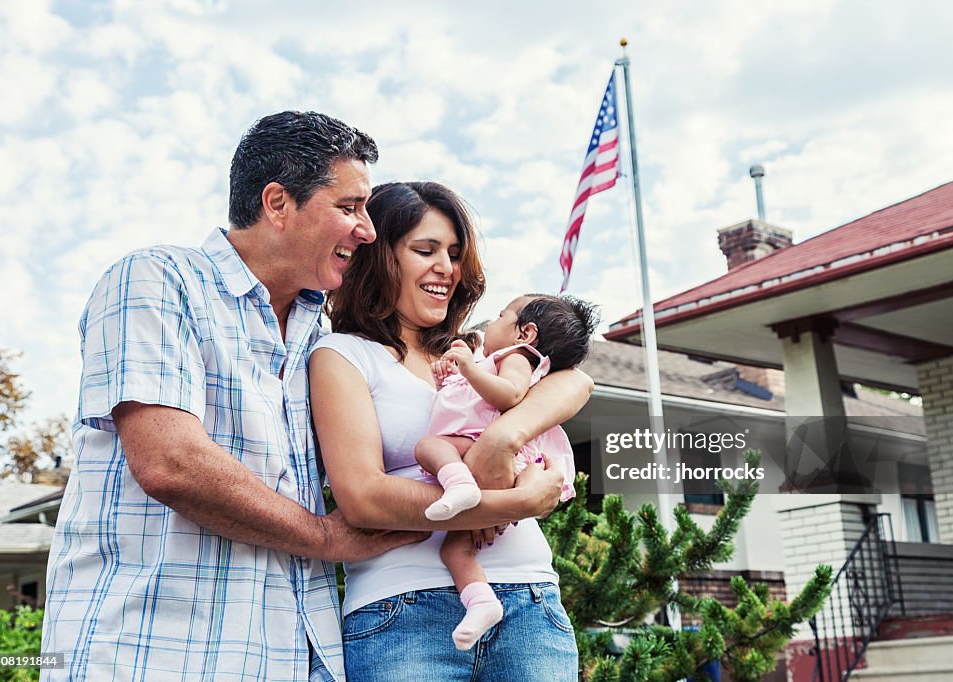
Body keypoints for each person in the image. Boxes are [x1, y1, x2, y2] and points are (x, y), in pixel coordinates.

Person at [40, 112, 519, 682]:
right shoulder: (158, 278)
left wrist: (497, 470)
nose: (366, 230)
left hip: (293, 651)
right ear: (277, 203)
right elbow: (169, 461)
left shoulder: (325, 337)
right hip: (152, 650)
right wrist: (324, 535)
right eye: (349, 207)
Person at [311, 181, 592, 681]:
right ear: (379, 257)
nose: (447, 266)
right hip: (404, 607)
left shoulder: (478, 350)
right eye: (425, 250)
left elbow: (576, 381)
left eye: (455, 252)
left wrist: (500, 442)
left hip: (530, 599)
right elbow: (363, 498)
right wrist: (518, 503)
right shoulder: (343, 355)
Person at [415, 293, 599, 649]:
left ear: (525, 333)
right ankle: (482, 603)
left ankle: (460, 485)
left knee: (428, 447)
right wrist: (450, 379)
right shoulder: (495, 363)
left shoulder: (516, 357)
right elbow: (464, 403)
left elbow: (510, 396)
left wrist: (468, 368)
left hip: (487, 452)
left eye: (501, 315)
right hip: (481, 450)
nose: (491, 322)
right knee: (455, 549)